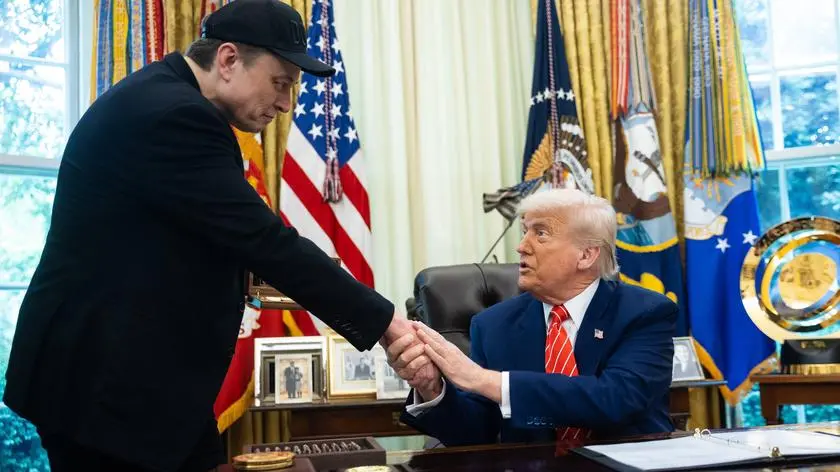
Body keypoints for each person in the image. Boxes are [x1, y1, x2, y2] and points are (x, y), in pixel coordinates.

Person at [2, 1, 432, 471]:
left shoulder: (163, 96)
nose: (285, 104)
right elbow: (265, 242)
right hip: (103, 389)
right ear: (228, 59)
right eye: (280, 83)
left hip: (140, 381)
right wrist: (387, 324)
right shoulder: (177, 116)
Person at [386, 188, 678, 448]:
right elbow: (474, 433)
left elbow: (616, 399)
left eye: (540, 233)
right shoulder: (493, 325)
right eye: (524, 231)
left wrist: (485, 380)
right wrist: (432, 388)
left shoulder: (645, 312)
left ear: (586, 255)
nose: (522, 246)